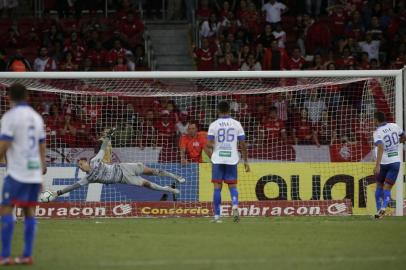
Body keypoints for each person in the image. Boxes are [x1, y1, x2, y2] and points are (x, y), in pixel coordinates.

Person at [44, 129, 184, 201]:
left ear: (86, 162)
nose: (81, 166)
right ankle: (169, 189)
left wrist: (108, 136)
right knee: (149, 185)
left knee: (152, 171)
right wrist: (58, 192)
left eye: (81, 163)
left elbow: (103, 148)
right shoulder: (89, 178)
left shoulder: (95, 160)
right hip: (124, 178)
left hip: (124, 167)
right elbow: (72, 186)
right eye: (79, 166)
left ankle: (174, 176)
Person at [0, 83, 47, 265]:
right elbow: (42, 144)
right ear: (27, 96)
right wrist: (42, 167)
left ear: (8, 97)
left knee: (6, 209)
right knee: (29, 211)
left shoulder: (10, 117)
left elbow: (4, 144)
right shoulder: (36, 117)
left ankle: (5, 256)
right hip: (33, 172)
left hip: (17, 172)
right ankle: (27, 254)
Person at [204, 101, 250, 223]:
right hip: (232, 158)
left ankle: (217, 217)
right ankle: (234, 205)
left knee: (217, 188)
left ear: (218, 111)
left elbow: (208, 144)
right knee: (232, 186)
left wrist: (216, 146)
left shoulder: (214, 125)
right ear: (229, 110)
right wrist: (245, 160)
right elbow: (243, 144)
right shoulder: (237, 124)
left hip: (218, 158)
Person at [372, 112, 405, 219]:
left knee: (379, 185)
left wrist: (377, 165)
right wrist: (396, 143)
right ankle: (383, 207)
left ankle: (378, 211)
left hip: (383, 163)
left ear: (376, 120)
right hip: (395, 161)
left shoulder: (377, 132)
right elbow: (404, 137)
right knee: (388, 188)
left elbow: (380, 147)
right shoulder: (394, 126)